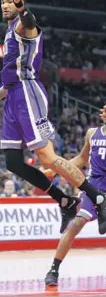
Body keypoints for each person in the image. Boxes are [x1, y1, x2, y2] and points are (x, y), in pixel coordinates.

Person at [0, 0, 106, 234]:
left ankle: (98, 198)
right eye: (2, 3)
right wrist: (3, 89)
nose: (5, 6)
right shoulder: (8, 30)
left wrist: (22, 4)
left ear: (17, 3)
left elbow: (31, 20)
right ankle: (65, 200)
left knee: (48, 157)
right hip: (13, 95)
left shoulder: (24, 25)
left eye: (9, 2)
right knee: (12, 162)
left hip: (27, 94)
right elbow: (13, 65)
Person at [45, 112, 106, 285]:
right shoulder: (92, 133)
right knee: (76, 223)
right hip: (94, 187)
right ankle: (53, 270)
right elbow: (81, 159)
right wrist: (56, 170)